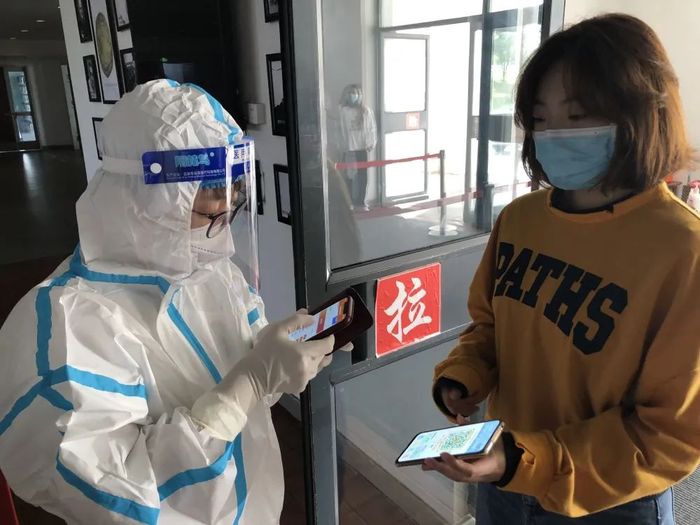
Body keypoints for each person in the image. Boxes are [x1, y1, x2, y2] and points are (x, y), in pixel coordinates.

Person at [0, 79, 346, 524]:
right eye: (211, 192)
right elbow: (122, 498)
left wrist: (278, 358)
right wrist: (248, 384)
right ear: (146, 195)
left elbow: (249, 362)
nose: (226, 208)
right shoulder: (63, 324)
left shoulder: (212, 272)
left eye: (234, 189)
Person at [427, 14, 699, 524]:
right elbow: (489, 326)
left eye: (577, 116)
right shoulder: (520, 219)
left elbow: (669, 434)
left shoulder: (683, 250)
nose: (553, 135)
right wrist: (463, 376)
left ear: (643, 114)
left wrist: (526, 459)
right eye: (541, 118)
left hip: (608, 500)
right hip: (504, 479)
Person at [339, 84, 377, 211]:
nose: (352, 96)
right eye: (350, 93)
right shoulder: (344, 111)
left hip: (362, 149)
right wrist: (343, 146)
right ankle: (349, 201)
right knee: (349, 175)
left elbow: (371, 128)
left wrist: (371, 143)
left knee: (362, 175)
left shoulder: (366, 111)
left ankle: (361, 201)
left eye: (355, 93)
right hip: (349, 148)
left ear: (360, 96)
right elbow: (341, 130)